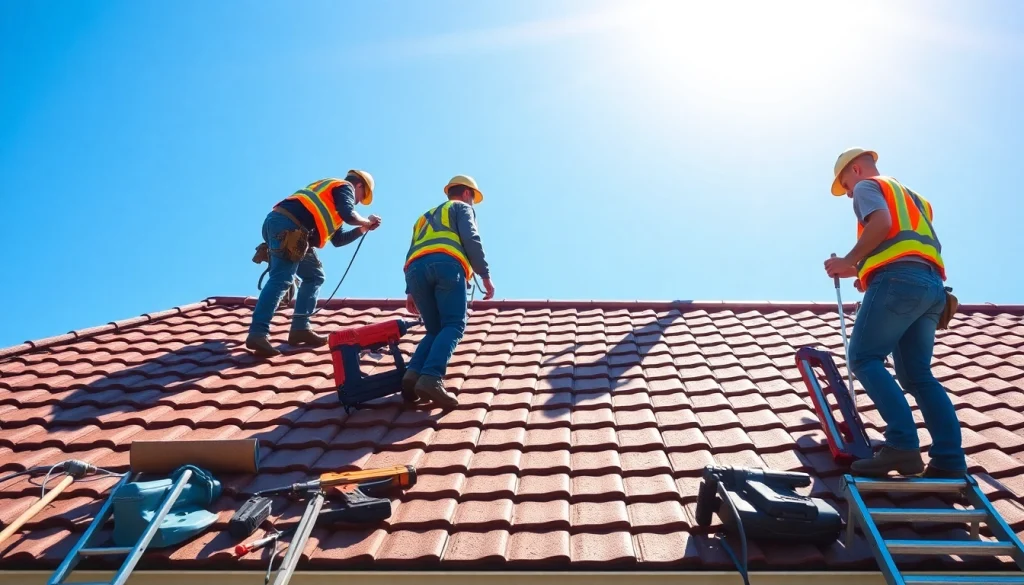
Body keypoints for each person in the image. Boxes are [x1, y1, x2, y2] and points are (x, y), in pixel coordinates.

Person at [824, 147, 965, 478]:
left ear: (856, 170)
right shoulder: (914, 198)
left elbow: (882, 224)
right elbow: (902, 241)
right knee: (917, 376)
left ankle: (902, 446)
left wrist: (851, 261)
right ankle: (949, 459)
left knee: (863, 357)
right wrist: (866, 270)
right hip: (931, 289)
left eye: (845, 185)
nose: (849, 195)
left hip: (900, 281)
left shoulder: (866, 187)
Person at [246, 171, 381, 357]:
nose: (358, 201)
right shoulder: (344, 187)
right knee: (282, 278)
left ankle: (300, 327)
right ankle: (258, 333)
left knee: (314, 276)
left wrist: (363, 228)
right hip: (288, 225)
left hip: (292, 229)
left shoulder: (331, 202)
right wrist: (367, 220)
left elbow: (338, 239)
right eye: (361, 197)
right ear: (359, 185)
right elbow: (349, 214)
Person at [401, 174, 495, 408]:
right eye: (472, 198)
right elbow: (471, 239)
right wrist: (484, 274)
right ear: (466, 193)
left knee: (434, 329)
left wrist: (409, 290)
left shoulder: (423, 218)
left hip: (415, 271)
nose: (472, 202)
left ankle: (412, 375)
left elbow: (413, 250)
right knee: (454, 324)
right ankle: (431, 377)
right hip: (447, 266)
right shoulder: (462, 208)